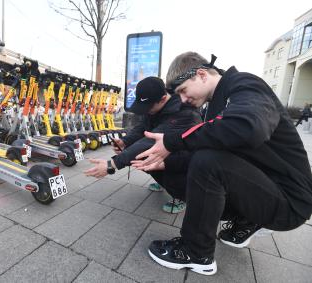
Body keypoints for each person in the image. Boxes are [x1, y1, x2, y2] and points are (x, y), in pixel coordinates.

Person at [131, 52, 312, 275]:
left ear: (201, 74)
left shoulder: (246, 85)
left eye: (183, 91)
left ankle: (196, 252)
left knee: (207, 161)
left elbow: (248, 127)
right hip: (268, 189)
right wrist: (165, 162)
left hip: (290, 201)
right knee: (185, 171)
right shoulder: (218, 103)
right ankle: (246, 221)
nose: (183, 100)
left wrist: (174, 141)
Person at [84, 76, 201, 213]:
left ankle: (182, 195)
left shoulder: (185, 113)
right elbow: (142, 128)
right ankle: (164, 182)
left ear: (163, 99)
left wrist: (112, 165)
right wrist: (125, 141)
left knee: (155, 157)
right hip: (166, 148)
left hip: (188, 159)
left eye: (148, 107)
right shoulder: (155, 105)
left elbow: (149, 142)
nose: (146, 111)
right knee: (141, 157)